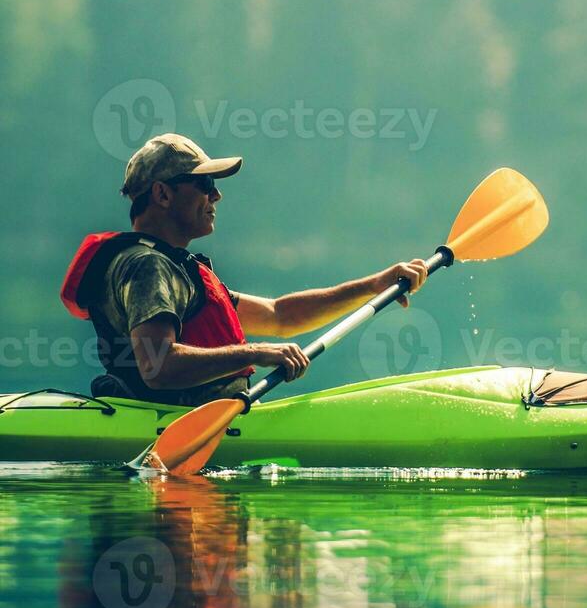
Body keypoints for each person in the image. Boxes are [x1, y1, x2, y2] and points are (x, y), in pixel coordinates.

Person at [61, 134, 431, 406]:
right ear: (162, 195)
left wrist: (373, 285)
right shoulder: (148, 267)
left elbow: (279, 315)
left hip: (206, 416)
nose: (216, 196)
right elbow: (158, 367)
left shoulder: (173, 266)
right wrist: (255, 353)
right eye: (205, 184)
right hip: (174, 422)